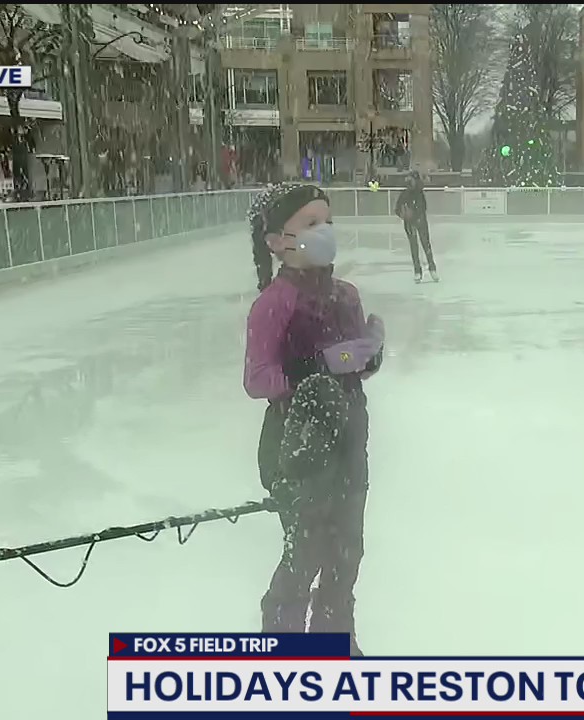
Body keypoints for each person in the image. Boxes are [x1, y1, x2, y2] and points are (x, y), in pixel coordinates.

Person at [244, 182, 384, 654]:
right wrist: (316, 366)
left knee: (347, 551)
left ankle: (334, 643)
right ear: (277, 241)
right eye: (311, 223)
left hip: (349, 440)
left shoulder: (347, 295)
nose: (325, 232)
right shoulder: (274, 303)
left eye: (328, 221)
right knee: (305, 554)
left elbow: (353, 364)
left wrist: (366, 356)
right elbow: (257, 378)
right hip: (298, 445)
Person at [395, 171, 439, 283]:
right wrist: (403, 214)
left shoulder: (419, 194)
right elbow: (397, 209)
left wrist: (414, 215)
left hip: (421, 222)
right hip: (409, 224)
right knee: (414, 247)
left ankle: (432, 268)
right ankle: (417, 271)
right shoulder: (404, 194)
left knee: (426, 245)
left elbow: (423, 208)